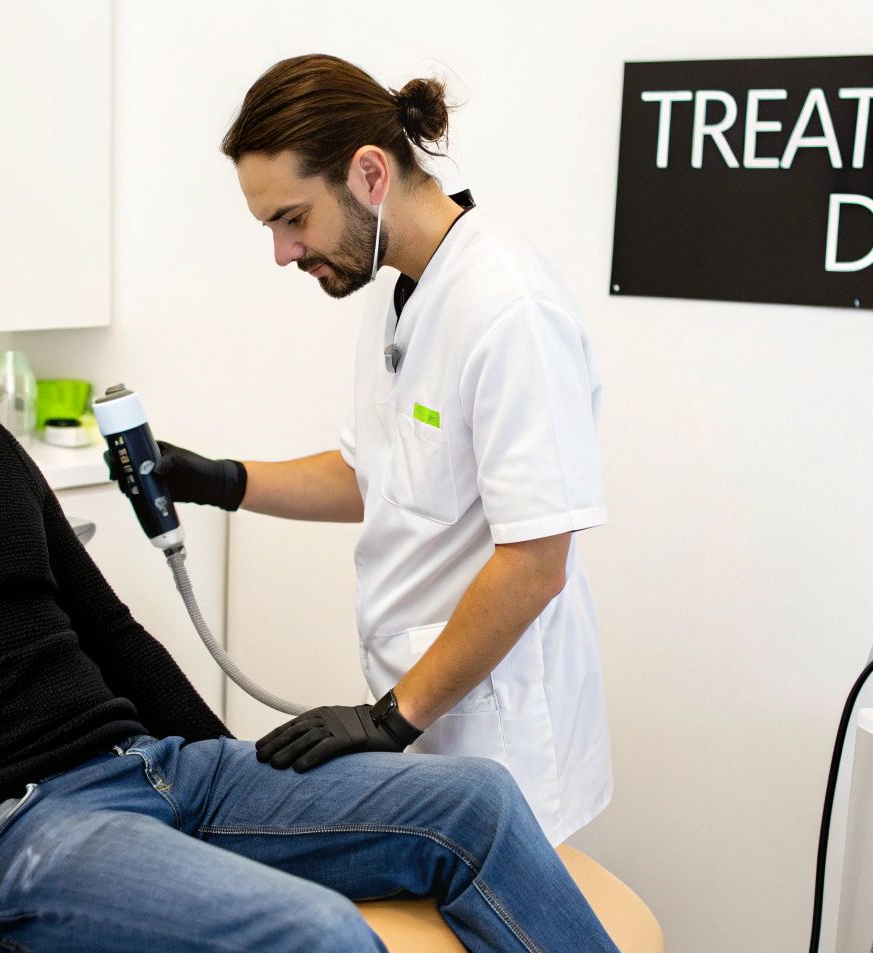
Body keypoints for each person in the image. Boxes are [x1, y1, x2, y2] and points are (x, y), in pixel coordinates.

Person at [0, 193, 669, 953]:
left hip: (159, 772)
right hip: (3, 841)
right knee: (311, 941)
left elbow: (110, 637)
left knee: (475, 803)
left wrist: (229, 784)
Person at [151, 54, 612, 845]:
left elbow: (536, 562)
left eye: (291, 219)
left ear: (369, 173)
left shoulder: (509, 309)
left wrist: (391, 719)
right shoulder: (399, 286)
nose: (283, 253)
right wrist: (223, 481)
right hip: (428, 714)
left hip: (496, 732)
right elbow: (380, 476)